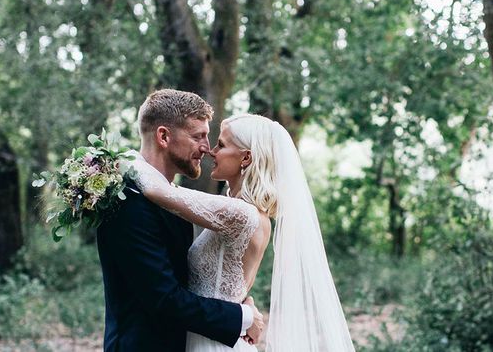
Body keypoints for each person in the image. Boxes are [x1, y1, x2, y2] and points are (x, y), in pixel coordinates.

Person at [128, 111, 356, 352]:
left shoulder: (240, 214)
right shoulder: (248, 213)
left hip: (213, 343)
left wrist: (115, 160)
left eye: (221, 145)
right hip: (213, 332)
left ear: (245, 157)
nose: (211, 151)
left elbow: (155, 190)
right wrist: (245, 311)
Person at [97, 89, 264, 352]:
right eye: (198, 136)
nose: (207, 148)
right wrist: (242, 318)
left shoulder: (175, 200)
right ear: (164, 136)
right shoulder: (127, 199)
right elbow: (163, 298)